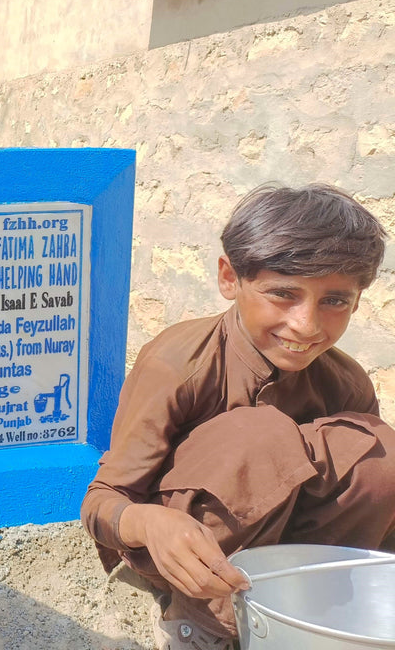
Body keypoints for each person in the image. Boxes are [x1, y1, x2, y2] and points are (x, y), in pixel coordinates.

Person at [82, 183, 395, 650]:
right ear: (230, 278)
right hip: (184, 554)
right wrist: (151, 524)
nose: (306, 325)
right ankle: (198, 623)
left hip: (282, 557)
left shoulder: (345, 382)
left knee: (378, 449)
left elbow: (368, 497)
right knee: (261, 432)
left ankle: (305, 607)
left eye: (335, 301)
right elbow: (103, 501)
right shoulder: (179, 364)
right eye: (283, 293)